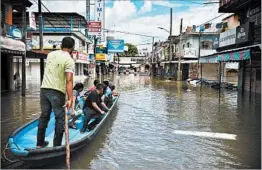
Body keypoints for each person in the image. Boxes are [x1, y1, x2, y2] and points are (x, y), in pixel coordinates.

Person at [36, 37, 75, 148]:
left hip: (44, 89)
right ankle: (56, 146)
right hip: (57, 92)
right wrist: (70, 98)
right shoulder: (69, 60)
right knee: (60, 118)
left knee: (44, 116)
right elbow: (68, 80)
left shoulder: (51, 55)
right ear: (72, 48)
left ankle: (39, 144)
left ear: (61, 44)